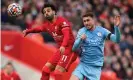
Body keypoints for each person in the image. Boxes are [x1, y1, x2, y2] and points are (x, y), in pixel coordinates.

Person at [23, 3, 77, 80]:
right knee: (45, 70)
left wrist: (63, 45)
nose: (46, 13)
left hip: (70, 49)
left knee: (57, 72)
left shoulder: (62, 21)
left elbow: (67, 35)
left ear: (54, 12)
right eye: (44, 12)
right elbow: (39, 29)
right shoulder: (47, 25)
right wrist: (28, 31)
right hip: (61, 50)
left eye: (48, 11)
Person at [70, 12, 121, 80]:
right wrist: (80, 39)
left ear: (93, 20)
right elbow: (74, 48)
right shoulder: (82, 31)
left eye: (88, 20)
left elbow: (116, 40)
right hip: (83, 65)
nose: (86, 23)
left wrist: (116, 27)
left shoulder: (102, 31)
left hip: (95, 68)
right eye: (84, 21)